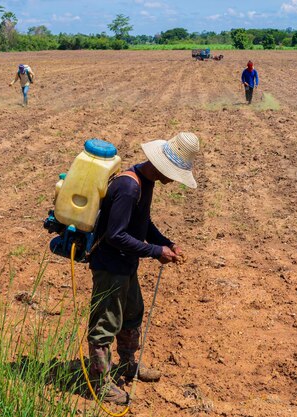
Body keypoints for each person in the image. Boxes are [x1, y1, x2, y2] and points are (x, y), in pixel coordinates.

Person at [87, 132, 200, 404]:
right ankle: (99, 383)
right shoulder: (129, 187)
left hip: (125, 263)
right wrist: (155, 251)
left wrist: (166, 243)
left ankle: (126, 364)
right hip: (110, 265)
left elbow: (143, 223)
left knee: (133, 312)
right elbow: (115, 235)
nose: (173, 180)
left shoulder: (145, 182)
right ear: (162, 166)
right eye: (173, 173)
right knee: (106, 322)